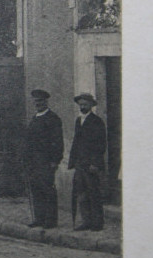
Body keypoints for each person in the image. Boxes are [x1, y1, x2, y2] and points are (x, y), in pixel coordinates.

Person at [22, 89, 64, 229]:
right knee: (36, 189)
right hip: (33, 162)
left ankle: (50, 220)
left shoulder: (53, 118)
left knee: (47, 189)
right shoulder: (35, 118)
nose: (38, 104)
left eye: (40, 101)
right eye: (36, 102)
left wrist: (55, 160)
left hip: (46, 161)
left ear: (46, 102)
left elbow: (57, 141)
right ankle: (39, 218)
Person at [68, 93, 107, 231]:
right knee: (82, 193)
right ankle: (86, 221)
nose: (82, 107)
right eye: (80, 105)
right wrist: (72, 161)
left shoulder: (97, 122)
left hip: (91, 165)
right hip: (80, 164)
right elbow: (76, 142)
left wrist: (95, 164)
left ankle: (97, 223)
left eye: (85, 104)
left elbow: (100, 145)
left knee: (93, 193)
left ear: (91, 105)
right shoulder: (79, 121)